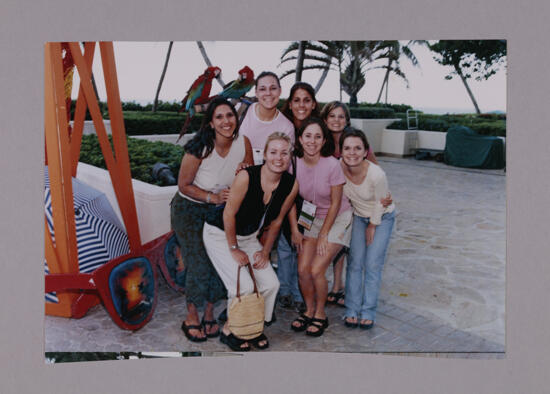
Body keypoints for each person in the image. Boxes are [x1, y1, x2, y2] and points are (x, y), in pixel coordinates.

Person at [203, 132, 299, 351]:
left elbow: (276, 222)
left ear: (290, 155)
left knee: (271, 284)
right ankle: (230, 330)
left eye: (284, 153)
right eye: (273, 152)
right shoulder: (247, 176)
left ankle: (253, 328)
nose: (279, 157)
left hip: (248, 237)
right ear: (264, 154)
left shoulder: (291, 184)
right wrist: (233, 248)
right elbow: (228, 215)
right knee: (243, 286)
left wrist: (265, 252)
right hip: (220, 235)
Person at [170, 97, 253, 343]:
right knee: (198, 263)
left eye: (230, 115)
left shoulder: (243, 142)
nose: (226, 121)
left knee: (219, 261)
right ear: (211, 122)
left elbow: (248, 173)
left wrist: (241, 179)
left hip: (220, 211)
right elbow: (183, 185)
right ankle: (192, 316)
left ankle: (209, 313)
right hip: (190, 210)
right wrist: (212, 196)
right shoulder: (199, 148)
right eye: (219, 117)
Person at [320, 101, 390, 308]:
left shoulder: (356, 142)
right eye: (332, 116)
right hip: (335, 201)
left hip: (356, 202)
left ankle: (343, 289)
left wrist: (382, 195)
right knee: (338, 245)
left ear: (347, 120)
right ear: (325, 119)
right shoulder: (323, 143)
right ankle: (337, 285)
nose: (336, 120)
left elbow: (375, 171)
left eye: (341, 116)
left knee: (352, 249)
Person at [289, 118, 353, 337]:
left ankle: (320, 313)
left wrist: (324, 234)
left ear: (324, 140)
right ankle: (308, 310)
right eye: (308, 136)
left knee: (317, 269)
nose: (312, 141)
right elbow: (289, 200)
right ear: (300, 138)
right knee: (302, 269)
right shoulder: (293, 162)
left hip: (338, 218)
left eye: (317, 136)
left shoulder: (332, 165)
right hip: (310, 215)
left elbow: (336, 203)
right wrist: (295, 230)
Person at [339, 128, 396, 330]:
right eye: (347, 148)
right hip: (358, 216)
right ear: (341, 151)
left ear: (365, 152)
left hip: (381, 217)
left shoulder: (376, 174)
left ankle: (368, 311)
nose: (352, 153)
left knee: (372, 264)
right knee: (354, 263)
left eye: (357, 148)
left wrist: (372, 225)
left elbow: (382, 202)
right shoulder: (338, 168)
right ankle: (352, 310)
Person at [276, 82, 321, 312]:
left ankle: (297, 292)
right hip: (285, 198)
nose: (301, 105)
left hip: (309, 204)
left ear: (313, 104)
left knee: (301, 246)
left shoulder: (317, 130)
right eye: (296, 100)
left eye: (306, 100)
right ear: (290, 103)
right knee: (284, 246)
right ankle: (284, 290)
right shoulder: (283, 126)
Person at [240, 71, 295, 163]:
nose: (268, 93)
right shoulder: (240, 111)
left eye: (273, 88)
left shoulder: (287, 128)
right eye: (262, 89)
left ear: (280, 91)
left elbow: (285, 163)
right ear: (256, 92)